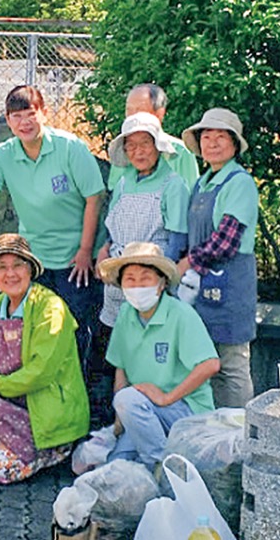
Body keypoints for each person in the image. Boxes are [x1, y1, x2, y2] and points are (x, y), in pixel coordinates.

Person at [0, 85, 105, 362]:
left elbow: (95, 198)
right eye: (17, 117)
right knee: (36, 331)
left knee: (77, 332)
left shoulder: (70, 147)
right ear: (8, 121)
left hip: (76, 260)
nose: (25, 122)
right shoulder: (3, 154)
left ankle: (81, 386)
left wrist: (84, 250)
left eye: (31, 114)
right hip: (35, 259)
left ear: (44, 113)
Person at [0, 234, 89, 484]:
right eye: (1, 267)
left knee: (0, 470)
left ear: (30, 270)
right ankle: (10, 441)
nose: (10, 274)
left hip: (45, 411)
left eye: (18, 265)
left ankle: (52, 450)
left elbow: (42, 370)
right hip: (11, 402)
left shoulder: (51, 308)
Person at [91, 113, 190, 421]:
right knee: (113, 352)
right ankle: (111, 419)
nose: (138, 151)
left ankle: (145, 417)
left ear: (158, 146)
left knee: (146, 354)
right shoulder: (123, 183)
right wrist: (103, 251)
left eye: (144, 143)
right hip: (117, 279)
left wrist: (156, 278)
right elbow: (110, 229)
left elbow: (177, 240)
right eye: (131, 146)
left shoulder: (174, 185)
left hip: (149, 280)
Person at [99, 242, 220, 467]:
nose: (137, 286)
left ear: (161, 283)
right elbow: (120, 368)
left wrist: (166, 398)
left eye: (145, 278)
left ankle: (163, 467)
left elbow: (210, 364)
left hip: (186, 411)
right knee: (115, 463)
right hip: (144, 411)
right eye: (130, 279)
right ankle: (158, 466)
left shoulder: (180, 314)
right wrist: (119, 423)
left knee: (128, 400)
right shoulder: (126, 313)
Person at [176, 108, 258, 408]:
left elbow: (226, 242)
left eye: (221, 137)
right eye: (206, 137)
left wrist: (186, 264)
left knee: (232, 364)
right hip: (200, 286)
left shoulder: (240, 183)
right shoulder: (201, 184)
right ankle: (210, 428)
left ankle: (237, 428)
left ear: (234, 144)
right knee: (203, 361)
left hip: (231, 284)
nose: (212, 143)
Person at [108, 84, 199, 190]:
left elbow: (191, 193)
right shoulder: (122, 150)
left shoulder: (180, 152)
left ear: (160, 113)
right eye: (129, 110)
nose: (133, 116)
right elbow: (114, 191)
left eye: (139, 110)